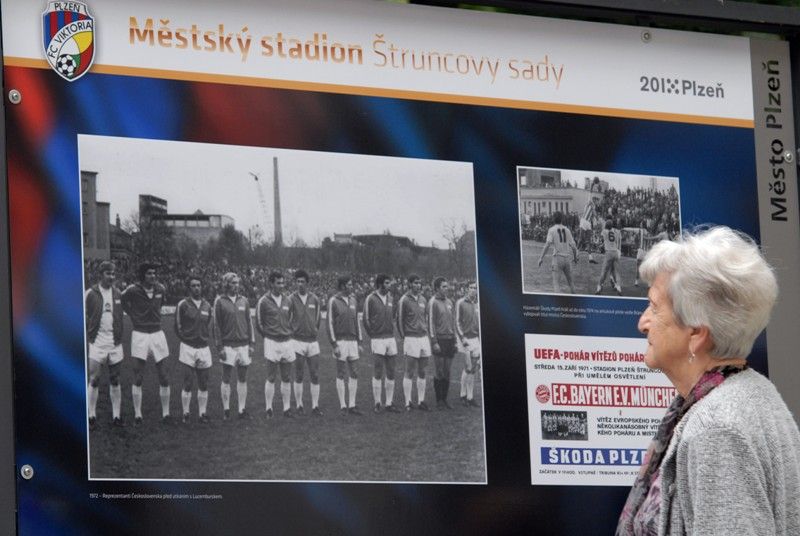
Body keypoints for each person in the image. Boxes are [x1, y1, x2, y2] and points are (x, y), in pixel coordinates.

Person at [616, 226, 800, 535]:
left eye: (654, 307)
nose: (642, 322)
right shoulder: (755, 394)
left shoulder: (716, 427)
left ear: (696, 333)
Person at [122, 263, 171, 424]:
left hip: (157, 334)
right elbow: (123, 302)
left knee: (164, 376)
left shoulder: (161, 289)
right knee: (138, 376)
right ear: (143, 275)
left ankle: (166, 414)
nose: (153, 276)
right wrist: (133, 316)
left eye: (154, 273)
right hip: (140, 335)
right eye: (149, 273)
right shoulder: (132, 290)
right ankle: (138, 414)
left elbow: (161, 304)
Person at [85, 261, 124, 429]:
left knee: (115, 379)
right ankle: (91, 415)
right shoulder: (90, 293)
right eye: (108, 273)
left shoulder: (118, 293)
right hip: (97, 343)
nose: (112, 277)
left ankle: (116, 416)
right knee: (94, 379)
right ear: (101, 274)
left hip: (115, 343)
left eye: (114, 274)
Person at [212, 272, 254, 420]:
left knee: (242, 378)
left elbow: (249, 323)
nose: (236, 286)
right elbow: (216, 326)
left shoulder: (244, 301)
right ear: (226, 284)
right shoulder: (219, 301)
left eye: (237, 283)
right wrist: (220, 347)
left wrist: (251, 344)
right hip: (228, 346)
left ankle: (242, 410)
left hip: (243, 345)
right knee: (226, 377)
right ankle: (226, 410)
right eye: (233, 283)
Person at [175, 277, 213, 423]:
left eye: (199, 285)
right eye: (193, 286)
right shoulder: (183, 305)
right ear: (189, 288)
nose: (197, 288)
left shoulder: (207, 305)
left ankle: (202, 413)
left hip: (203, 348)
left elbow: (209, 324)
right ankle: (186, 413)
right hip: (188, 348)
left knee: (203, 382)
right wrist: (187, 339)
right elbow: (177, 326)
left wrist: (203, 337)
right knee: (188, 382)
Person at [257, 271, 295, 418]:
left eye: (282, 282)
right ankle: (268, 408)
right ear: (271, 284)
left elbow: (290, 318)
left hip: (286, 342)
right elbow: (259, 323)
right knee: (271, 377)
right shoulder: (263, 301)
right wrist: (268, 335)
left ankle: (286, 409)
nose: (281, 286)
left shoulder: (288, 300)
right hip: (272, 342)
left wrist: (287, 332)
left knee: (286, 376)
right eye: (278, 283)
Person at [363, 274, 401, 413]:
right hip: (377, 338)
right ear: (380, 284)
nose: (389, 285)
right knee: (378, 371)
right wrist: (372, 335)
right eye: (387, 283)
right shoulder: (371, 298)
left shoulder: (391, 298)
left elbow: (393, 317)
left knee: (391, 371)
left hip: (390, 338)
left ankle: (389, 403)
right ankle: (377, 403)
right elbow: (365, 319)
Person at [288, 269, 323, 416]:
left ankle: (315, 406)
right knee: (299, 374)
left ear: (307, 283)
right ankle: (299, 404)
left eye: (302, 281)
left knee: (315, 374)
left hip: (312, 342)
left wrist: (313, 330)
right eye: (298, 281)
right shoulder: (290, 299)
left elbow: (318, 319)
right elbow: (286, 317)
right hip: (297, 341)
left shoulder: (315, 299)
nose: (300, 284)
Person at [327, 276, 362, 415]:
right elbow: (329, 323)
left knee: (354, 372)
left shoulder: (353, 300)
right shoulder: (333, 301)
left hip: (353, 342)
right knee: (341, 373)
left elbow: (357, 322)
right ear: (342, 286)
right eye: (348, 284)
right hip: (340, 342)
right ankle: (343, 405)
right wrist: (334, 344)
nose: (351, 286)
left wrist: (359, 341)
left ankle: (352, 405)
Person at [398, 274, 431, 411]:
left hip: (423, 338)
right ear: (410, 284)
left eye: (420, 283)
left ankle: (421, 400)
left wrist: (427, 333)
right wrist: (404, 337)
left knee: (423, 371)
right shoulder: (404, 300)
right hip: (411, 338)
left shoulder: (423, 299)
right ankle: (408, 402)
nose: (418, 285)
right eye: (416, 283)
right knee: (409, 371)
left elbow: (426, 318)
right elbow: (399, 320)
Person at [429, 277, 457, 409]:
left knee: (447, 371)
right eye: (444, 286)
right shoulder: (433, 302)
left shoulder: (450, 302)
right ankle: (438, 400)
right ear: (437, 288)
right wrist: (434, 341)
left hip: (450, 340)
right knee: (439, 371)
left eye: (447, 286)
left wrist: (455, 340)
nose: (447, 288)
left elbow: (453, 323)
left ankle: (445, 399)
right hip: (439, 340)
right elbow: (431, 323)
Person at [537, 212, 578, 294]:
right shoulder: (567, 230)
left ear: (553, 219)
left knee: (556, 284)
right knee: (571, 283)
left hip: (557, 258)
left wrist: (541, 258)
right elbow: (573, 246)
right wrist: (575, 257)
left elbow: (548, 244)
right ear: (562, 219)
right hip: (567, 258)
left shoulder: (552, 229)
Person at [456, 281, 481, 407]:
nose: (473, 290)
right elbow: (457, 322)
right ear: (466, 289)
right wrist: (462, 338)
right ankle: (462, 395)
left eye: (475, 288)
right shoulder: (460, 303)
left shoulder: (478, 303)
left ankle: (470, 397)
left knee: (473, 369)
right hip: (465, 339)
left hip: (476, 339)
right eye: (471, 287)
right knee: (468, 367)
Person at [596, 219, 622, 295]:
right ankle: (619, 288)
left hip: (609, 252)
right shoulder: (615, 232)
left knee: (604, 271)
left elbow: (601, 238)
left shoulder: (604, 231)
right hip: (615, 252)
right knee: (617, 272)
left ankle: (599, 287)